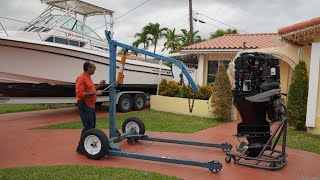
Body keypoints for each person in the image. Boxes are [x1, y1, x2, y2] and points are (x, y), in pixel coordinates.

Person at [75, 61, 105, 154]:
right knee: (88, 127)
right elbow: (79, 93)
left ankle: (84, 147)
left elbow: (91, 89)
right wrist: (95, 93)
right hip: (84, 104)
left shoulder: (88, 77)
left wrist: (99, 86)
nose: (95, 69)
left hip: (90, 105)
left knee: (91, 126)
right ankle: (81, 148)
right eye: (94, 67)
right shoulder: (81, 78)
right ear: (88, 68)